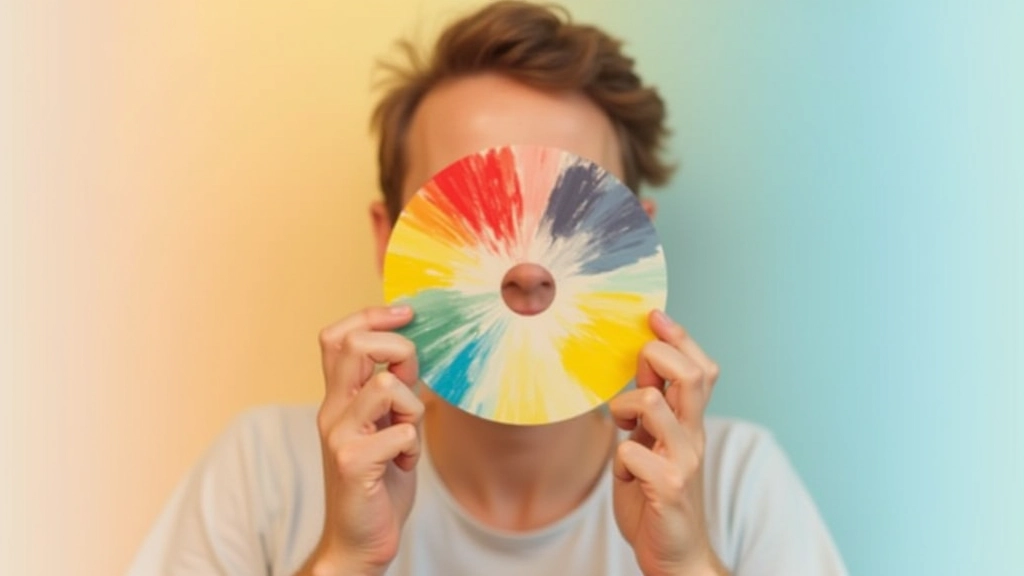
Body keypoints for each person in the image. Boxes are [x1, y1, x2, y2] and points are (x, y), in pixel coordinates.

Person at [129, 2, 847, 575]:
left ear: (639, 243)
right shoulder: (262, 471)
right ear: (389, 238)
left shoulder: (737, 484)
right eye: (469, 211)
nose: (525, 268)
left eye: (572, 209)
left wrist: (686, 566)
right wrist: (344, 560)